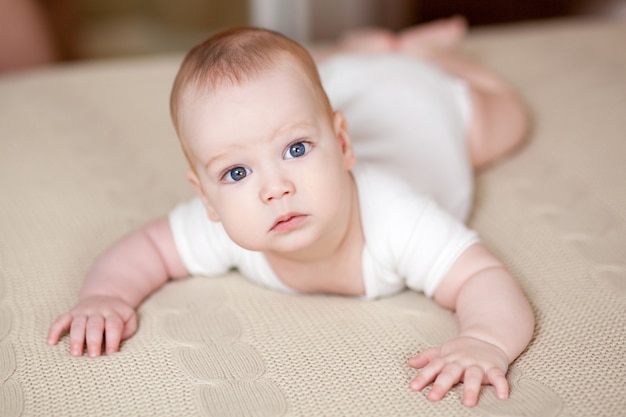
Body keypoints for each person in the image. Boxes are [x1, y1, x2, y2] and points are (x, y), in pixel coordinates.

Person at [47, 17, 534, 407]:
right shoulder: (226, 225)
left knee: (511, 120)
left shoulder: (395, 216)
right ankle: (359, 52)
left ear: (343, 145)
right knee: (295, 83)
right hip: (345, 87)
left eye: (297, 149)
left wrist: (486, 340)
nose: (275, 188)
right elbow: (149, 247)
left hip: (425, 108)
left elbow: (481, 277)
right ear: (207, 199)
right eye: (237, 173)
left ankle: (428, 57)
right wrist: (105, 295)